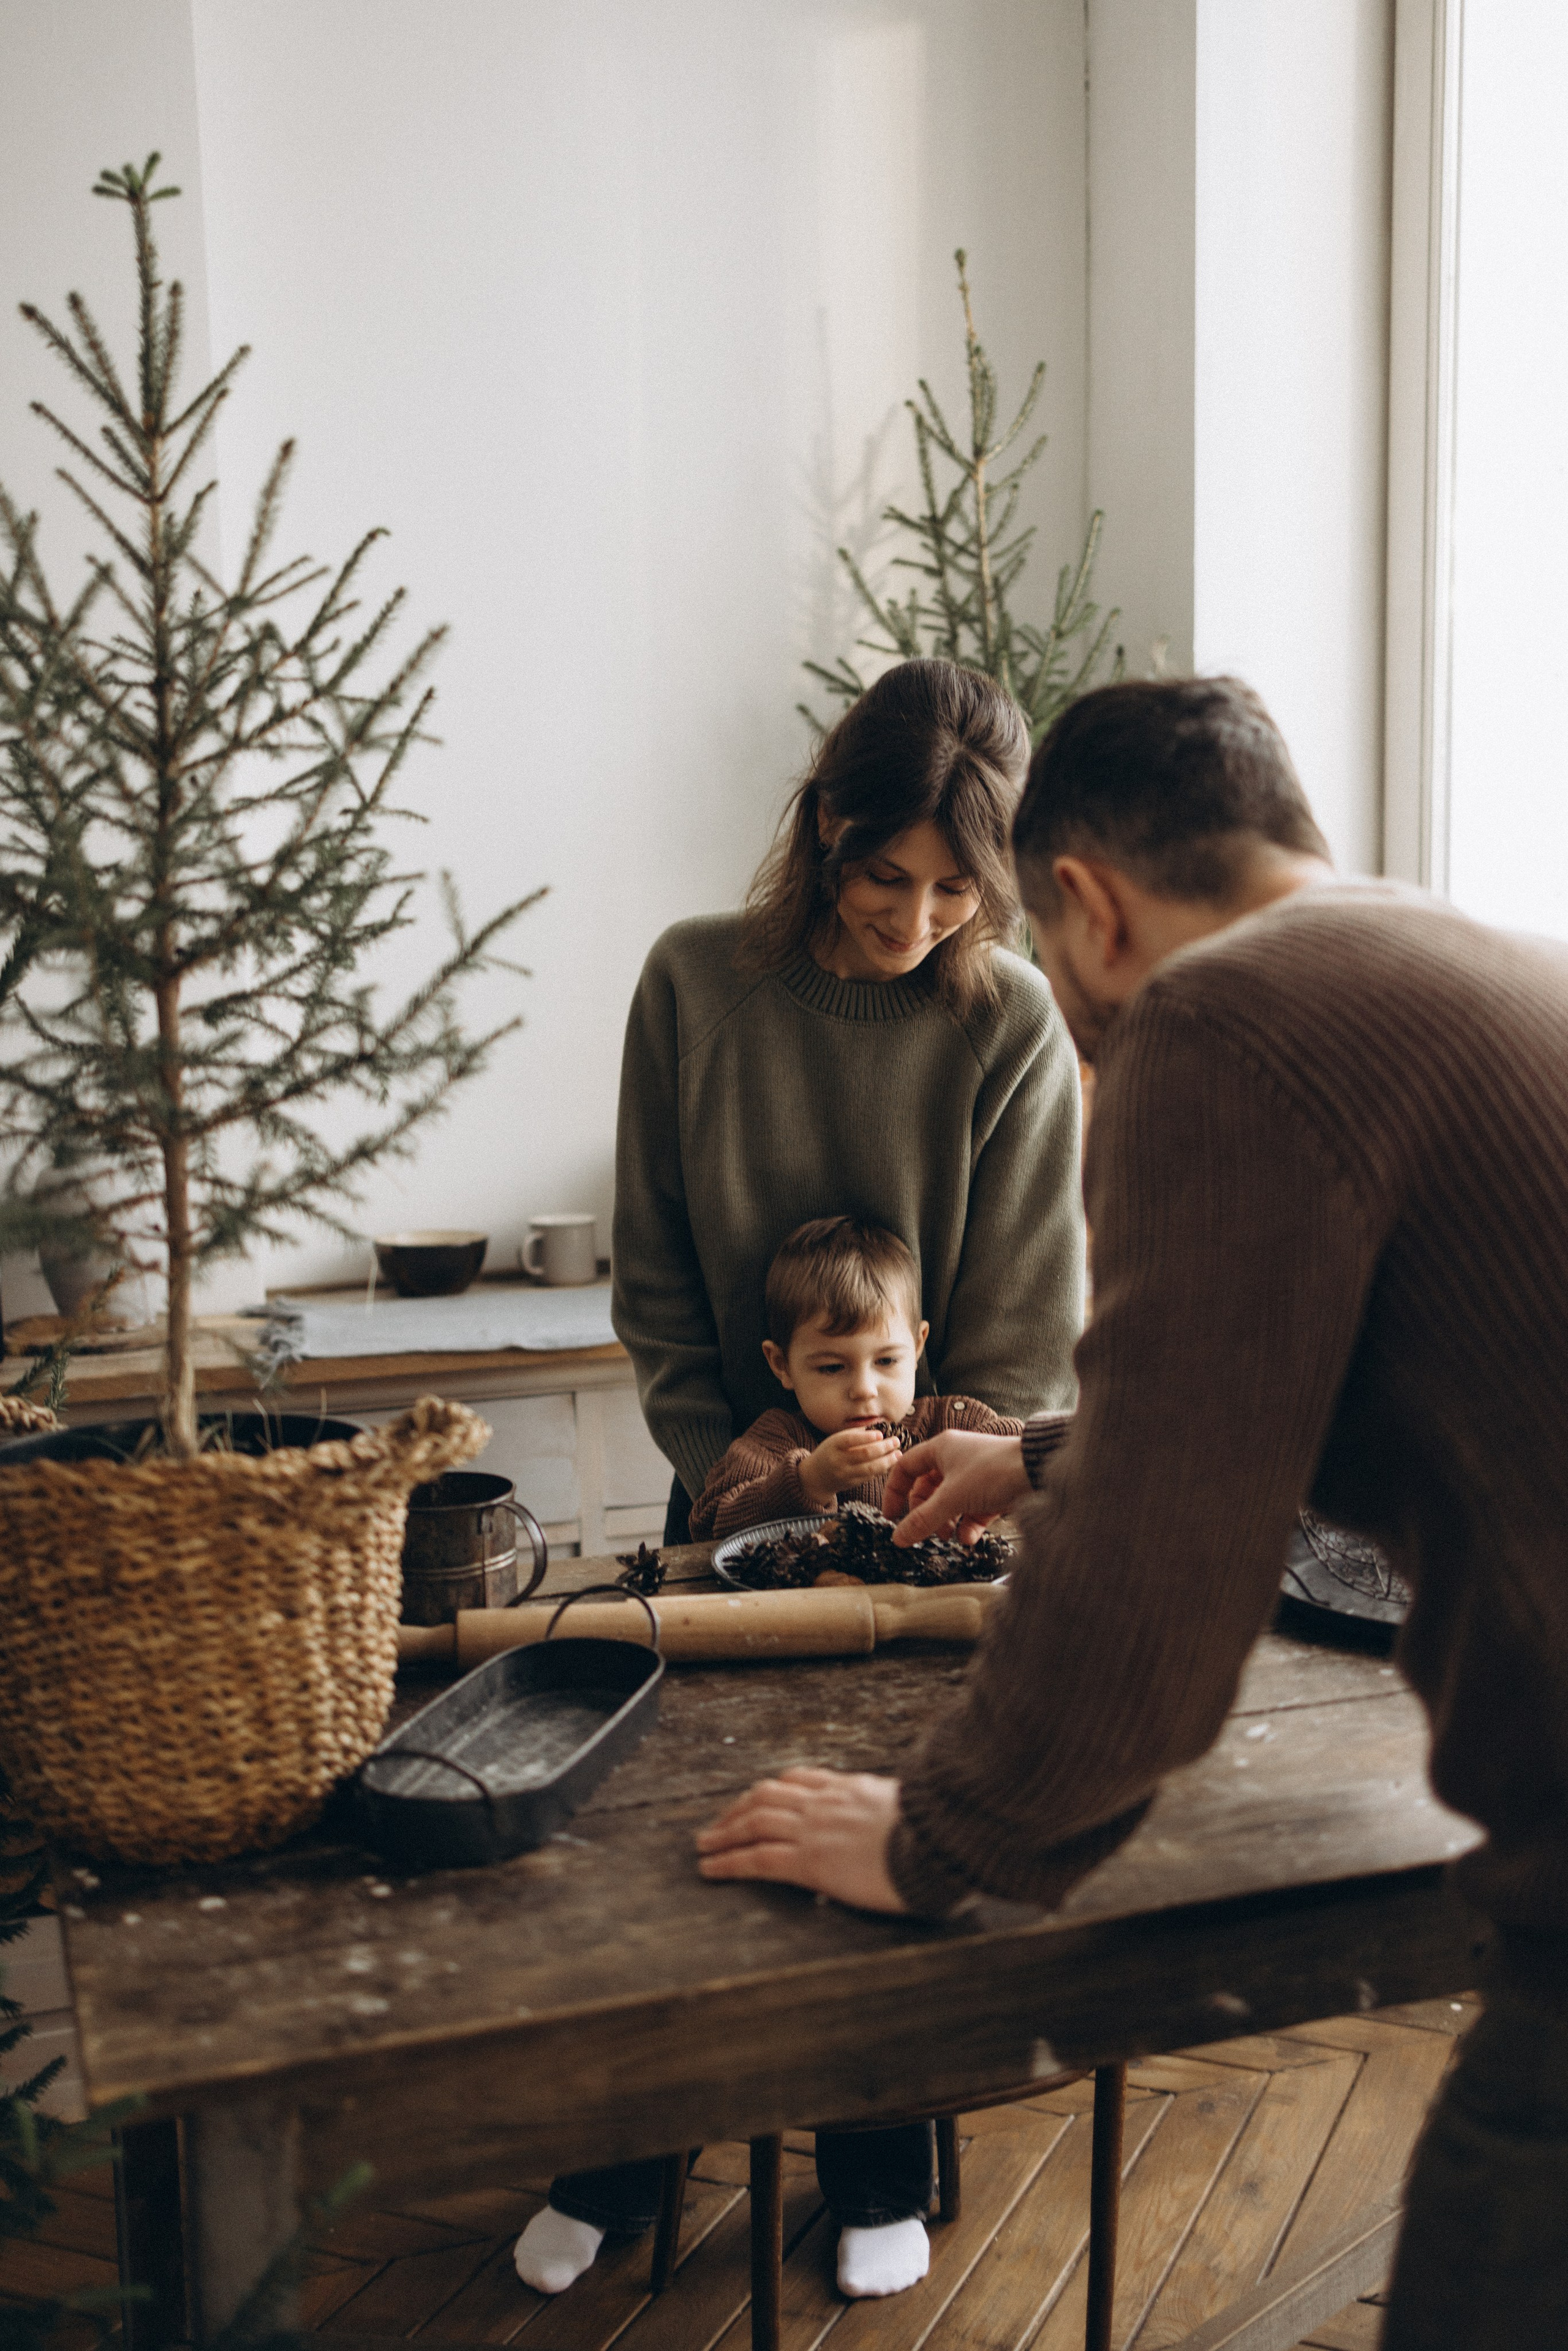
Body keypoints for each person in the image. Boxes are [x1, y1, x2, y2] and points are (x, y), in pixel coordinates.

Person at [696, 674, 1568, 2350]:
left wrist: (943, 1836)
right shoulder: (1442, 950)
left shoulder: (1224, 1015)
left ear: (1082, 902)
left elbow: (1164, 1586)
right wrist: (1037, 1456)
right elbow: (1268, 1383)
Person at [515, 657, 1087, 2305]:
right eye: (887, 874)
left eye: (958, 888)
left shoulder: (1013, 1018)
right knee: (662, 1830)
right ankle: (619, 2146)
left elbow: (1032, 1325)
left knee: (874, 1819)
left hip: (935, 1527)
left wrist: (902, 1503)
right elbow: (659, 1284)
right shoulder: (695, 984)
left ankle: (880, 2158)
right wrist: (750, 1481)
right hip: (733, 1515)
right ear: (826, 826)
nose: (919, 917)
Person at [688, 1214, 1025, 1540]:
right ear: (782, 1364)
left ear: (918, 1345)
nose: (864, 1390)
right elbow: (713, 1522)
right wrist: (809, 1482)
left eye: (887, 1360)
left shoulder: (949, 1424)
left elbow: (1020, 1449)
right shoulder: (775, 1441)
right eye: (832, 1367)